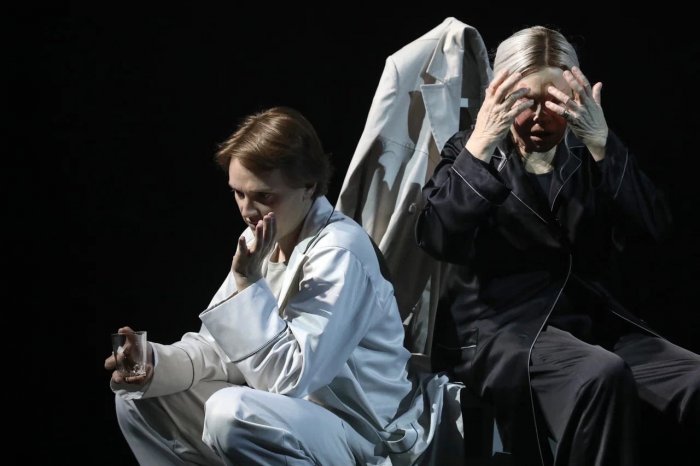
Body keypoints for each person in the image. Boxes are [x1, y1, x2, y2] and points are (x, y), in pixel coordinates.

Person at [104, 106, 464, 466]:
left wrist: (249, 283)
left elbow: (292, 378)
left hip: (361, 430)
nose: (247, 211)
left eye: (264, 196)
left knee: (232, 412)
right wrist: (153, 363)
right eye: (238, 193)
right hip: (297, 418)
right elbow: (220, 350)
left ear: (309, 187)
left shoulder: (340, 250)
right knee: (139, 397)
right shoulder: (261, 239)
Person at [415, 26, 700, 466]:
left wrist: (604, 145)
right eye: (525, 101)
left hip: (589, 323)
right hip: (501, 330)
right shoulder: (471, 152)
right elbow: (436, 236)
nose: (540, 117)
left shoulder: (587, 152)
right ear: (499, 94)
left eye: (554, 102)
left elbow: (654, 231)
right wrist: (480, 147)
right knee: (600, 375)